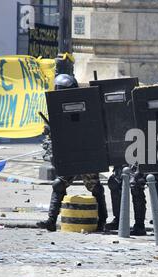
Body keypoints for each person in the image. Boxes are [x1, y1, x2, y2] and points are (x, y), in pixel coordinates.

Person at [36, 74, 109, 232]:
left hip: (87, 151)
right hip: (70, 152)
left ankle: (102, 219)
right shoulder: (57, 106)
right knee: (58, 184)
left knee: (95, 187)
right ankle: (51, 220)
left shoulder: (87, 102)